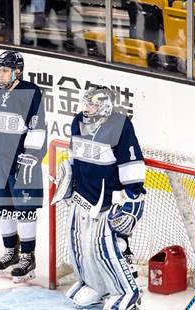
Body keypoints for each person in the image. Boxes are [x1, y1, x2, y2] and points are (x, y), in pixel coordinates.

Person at [56, 86, 145, 309]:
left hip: (106, 203)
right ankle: (94, 285)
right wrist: (70, 180)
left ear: (104, 106)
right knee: (79, 245)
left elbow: (130, 162)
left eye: (91, 104)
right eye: (85, 104)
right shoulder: (79, 122)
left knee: (102, 248)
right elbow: (75, 156)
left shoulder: (119, 125)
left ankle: (126, 292)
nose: (86, 109)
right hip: (83, 198)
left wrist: (133, 197)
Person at [0, 51, 47, 283]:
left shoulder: (30, 92)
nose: (1, 74)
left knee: (25, 208)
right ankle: (11, 251)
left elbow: (38, 127)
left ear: (17, 72)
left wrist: (31, 155)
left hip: (22, 162)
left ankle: (28, 256)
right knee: (3, 207)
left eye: (5, 70)